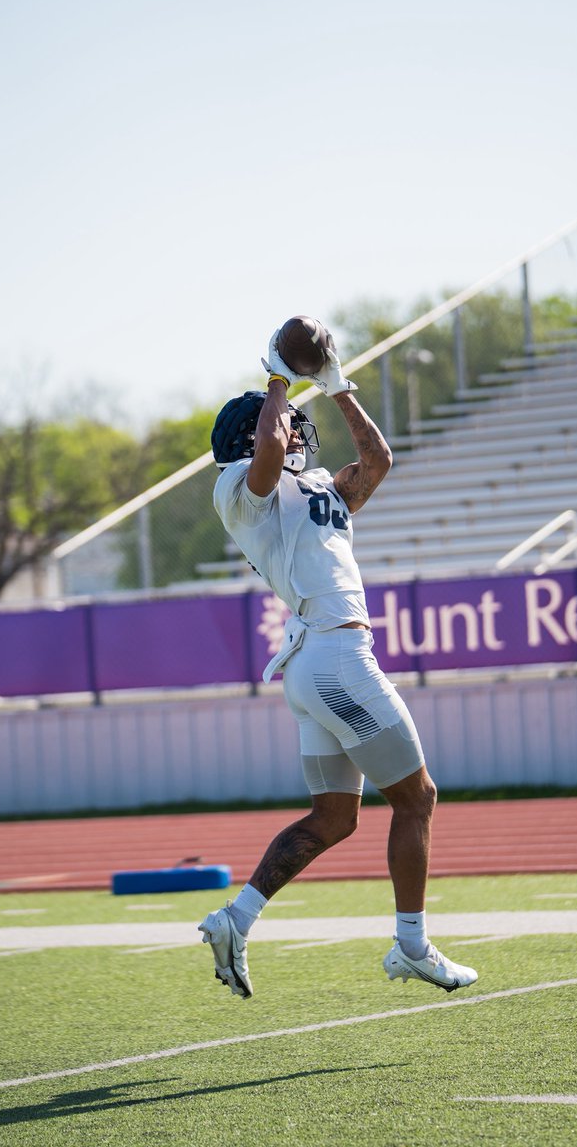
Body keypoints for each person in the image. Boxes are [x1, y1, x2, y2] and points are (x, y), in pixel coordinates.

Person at [198, 318, 477, 999]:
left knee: (335, 818)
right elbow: (268, 453)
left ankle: (236, 919)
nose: (298, 430)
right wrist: (276, 377)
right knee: (418, 799)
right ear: (252, 434)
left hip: (316, 663)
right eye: (288, 422)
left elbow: (377, 461)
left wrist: (338, 386)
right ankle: (411, 945)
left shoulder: (317, 485)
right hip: (335, 657)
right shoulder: (239, 487)